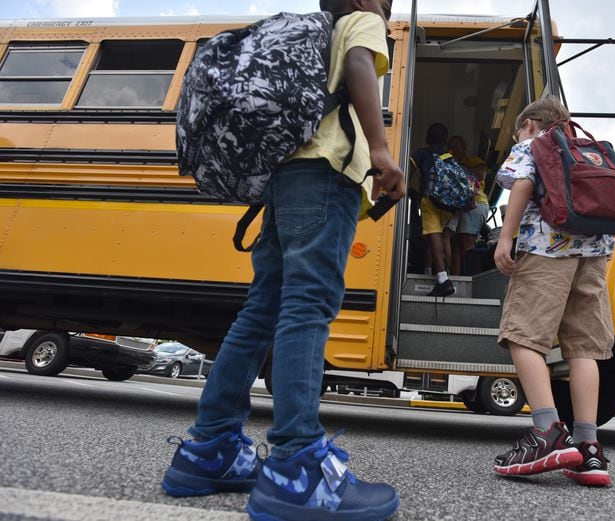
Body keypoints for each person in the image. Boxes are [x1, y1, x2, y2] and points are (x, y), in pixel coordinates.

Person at [161, 1, 406, 520]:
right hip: (325, 178)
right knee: (307, 306)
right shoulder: (360, 20)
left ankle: (209, 449)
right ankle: (297, 467)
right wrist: (381, 151)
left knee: (263, 310)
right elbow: (361, 62)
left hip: (285, 175)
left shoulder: (318, 33)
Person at [492, 96, 615, 487]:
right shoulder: (590, 152)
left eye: (518, 128)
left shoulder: (533, 144)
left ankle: (546, 431)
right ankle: (589, 449)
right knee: (583, 348)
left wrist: (505, 237)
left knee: (523, 336)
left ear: (529, 123)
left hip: (548, 250)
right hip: (594, 254)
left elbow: (523, 183)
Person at [410, 123, 457, 296]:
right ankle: (445, 272)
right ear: (445, 140)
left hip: (430, 199)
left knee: (433, 234)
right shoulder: (449, 157)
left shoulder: (422, 153)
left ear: (428, 138)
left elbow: (407, 173)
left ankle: (443, 279)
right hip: (447, 204)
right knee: (441, 236)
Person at [444, 135, 490, 276]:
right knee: (456, 244)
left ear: (464, 148)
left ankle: (470, 278)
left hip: (475, 204)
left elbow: (481, 174)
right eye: (450, 146)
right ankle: (456, 277)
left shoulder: (472, 161)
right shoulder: (449, 163)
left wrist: (461, 167)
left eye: (456, 145)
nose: (453, 149)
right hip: (461, 207)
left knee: (467, 244)